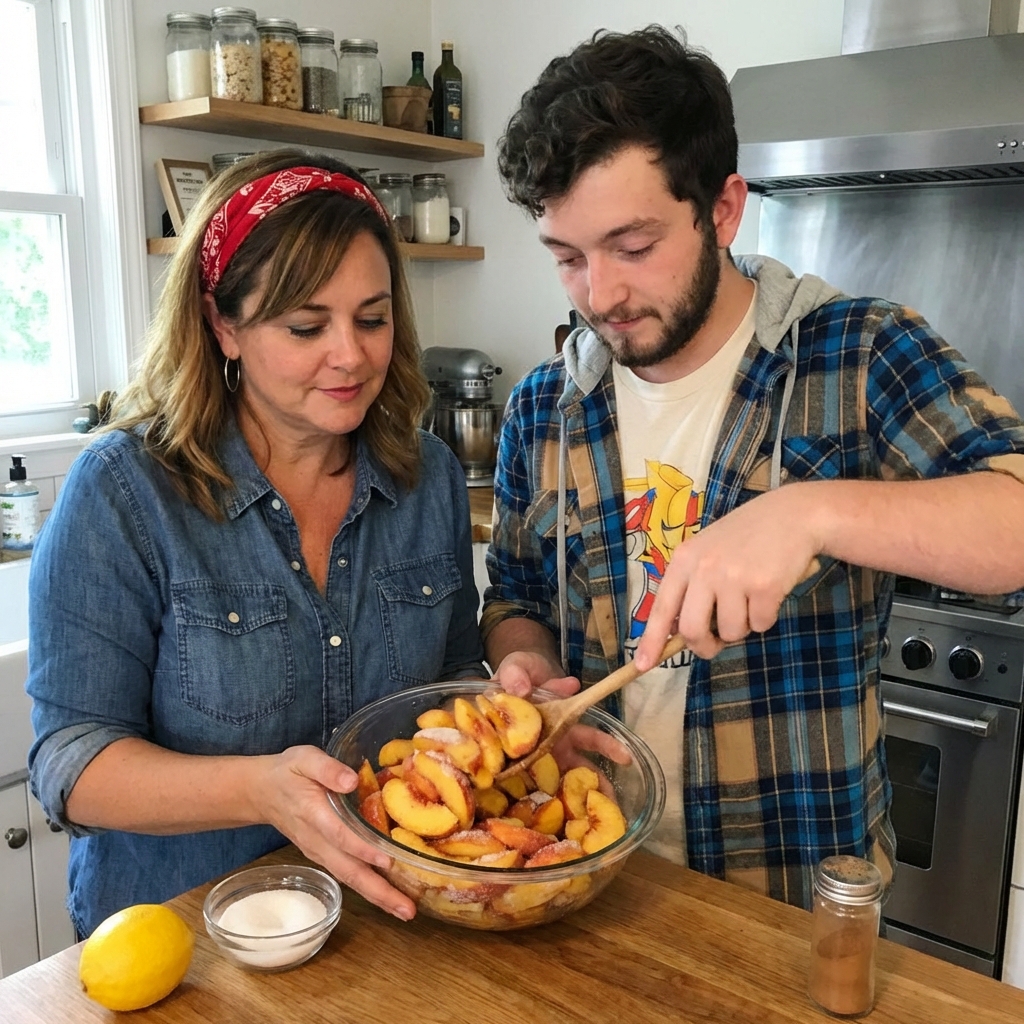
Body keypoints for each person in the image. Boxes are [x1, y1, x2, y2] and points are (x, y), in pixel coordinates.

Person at [484, 26, 1024, 908]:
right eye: (568, 258)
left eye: (633, 245)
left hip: (789, 900)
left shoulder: (857, 353)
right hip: (592, 880)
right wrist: (528, 673)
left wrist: (809, 513)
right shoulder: (544, 406)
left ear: (724, 208)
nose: (601, 296)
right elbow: (512, 599)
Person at [27, 150, 485, 937]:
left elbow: (449, 676)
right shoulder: (126, 490)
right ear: (223, 325)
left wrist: (504, 706)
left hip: (383, 928)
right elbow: (72, 764)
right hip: (182, 940)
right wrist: (258, 789)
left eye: (372, 318)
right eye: (307, 325)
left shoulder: (427, 475)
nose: (350, 354)